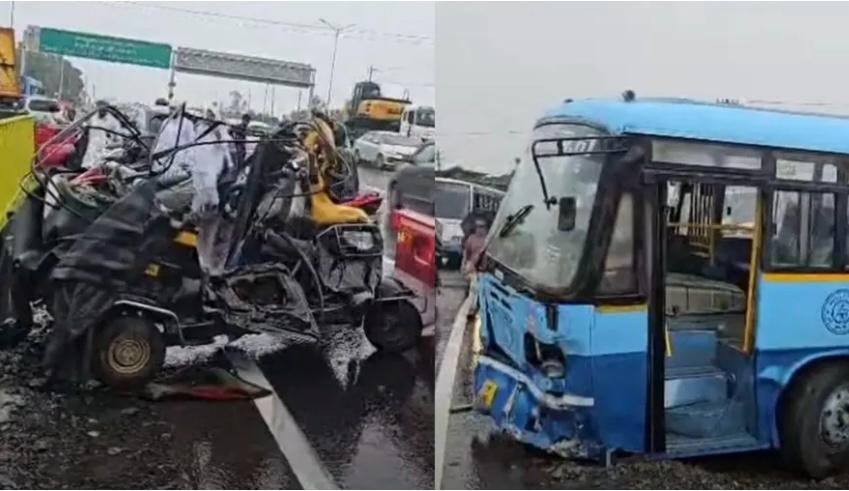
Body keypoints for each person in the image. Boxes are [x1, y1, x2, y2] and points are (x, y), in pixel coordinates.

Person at [461, 217, 489, 282]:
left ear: (485, 228)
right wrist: (464, 264)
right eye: (477, 226)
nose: (479, 229)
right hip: (472, 268)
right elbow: (466, 253)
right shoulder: (471, 238)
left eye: (481, 226)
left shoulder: (488, 239)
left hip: (485, 270)